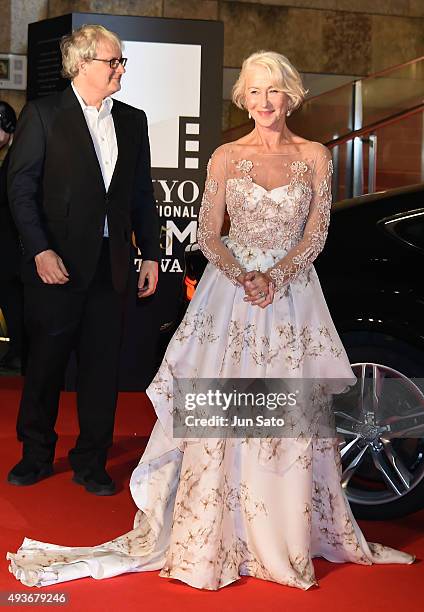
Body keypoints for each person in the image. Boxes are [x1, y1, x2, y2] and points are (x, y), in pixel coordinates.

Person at [7, 50, 414, 588]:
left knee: (286, 417)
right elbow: (208, 233)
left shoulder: (316, 155)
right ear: (242, 97)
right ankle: (216, 525)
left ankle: (281, 532)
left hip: (291, 298)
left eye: (273, 91)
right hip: (232, 297)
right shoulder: (226, 155)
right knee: (222, 412)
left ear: (289, 95)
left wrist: (277, 276)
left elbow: (316, 233)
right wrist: (245, 274)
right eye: (253, 91)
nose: (263, 102)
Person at [6, 25, 159, 496]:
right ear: (82, 64)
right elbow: (21, 190)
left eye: (121, 61)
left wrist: (149, 253)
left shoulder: (133, 120)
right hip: (56, 268)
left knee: (100, 370)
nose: (120, 69)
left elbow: (139, 194)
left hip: (111, 268)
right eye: (112, 62)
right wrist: (40, 250)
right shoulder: (44, 115)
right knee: (45, 366)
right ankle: (34, 454)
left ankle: (91, 460)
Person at [0, 101, 23, 371]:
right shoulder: (13, 152)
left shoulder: (17, 155)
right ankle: (17, 349)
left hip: (11, 246)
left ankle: (19, 350)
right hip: (9, 244)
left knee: (13, 301)